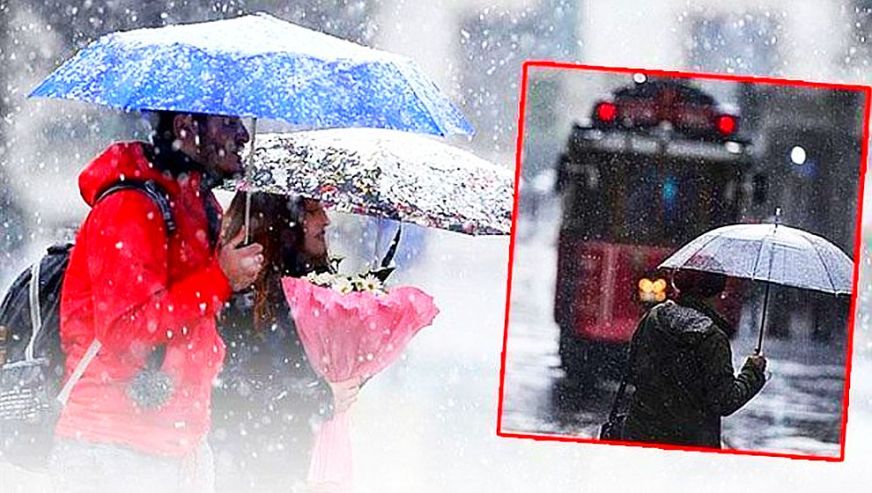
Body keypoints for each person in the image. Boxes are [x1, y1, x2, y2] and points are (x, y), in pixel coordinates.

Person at [50, 112, 264, 493]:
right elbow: (124, 329)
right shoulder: (130, 205)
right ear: (185, 126)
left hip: (179, 445)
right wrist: (219, 279)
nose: (243, 135)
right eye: (228, 123)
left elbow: (194, 313)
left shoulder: (198, 203)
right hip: (115, 450)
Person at [211, 191, 361, 493]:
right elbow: (241, 392)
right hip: (247, 465)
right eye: (313, 210)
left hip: (290, 460)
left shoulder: (307, 286)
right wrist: (321, 397)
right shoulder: (245, 294)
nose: (326, 220)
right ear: (283, 220)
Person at [623, 267, 767, 448]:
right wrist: (752, 371)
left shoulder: (654, 317)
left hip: (639, 436)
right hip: (689, 446)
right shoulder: (712, 337)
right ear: (718, 292)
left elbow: (632, 368)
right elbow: (725, 401)